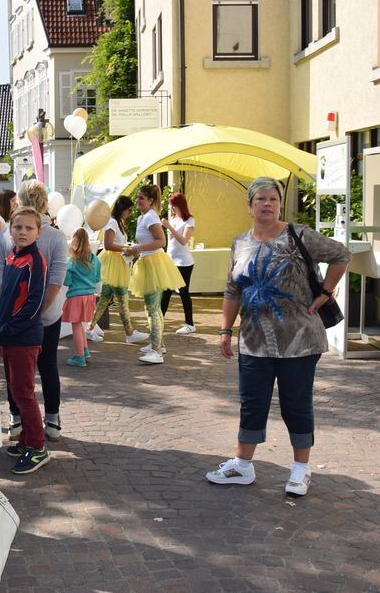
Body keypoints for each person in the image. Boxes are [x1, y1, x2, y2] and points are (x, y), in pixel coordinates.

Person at [207, 177, 350, 497]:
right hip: (255, 339)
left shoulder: (298, 235)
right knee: (251, 403)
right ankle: (242, 465)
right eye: (261, 199)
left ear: (279, 204)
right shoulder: (240, 242)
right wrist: (225, 329)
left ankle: (301, 469)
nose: (267, 204)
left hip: (300, 340)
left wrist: (325, 293)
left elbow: (340, 254)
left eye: (273, 199)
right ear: (249, 206)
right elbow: (232, 289)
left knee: (296, 405)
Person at [0, 180, 67, 442]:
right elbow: (56, 281)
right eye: (19, 228)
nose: (23, 232)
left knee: (17, 375)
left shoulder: (8, 236)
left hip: (20, 319)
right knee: (45, 368)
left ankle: (18, 420)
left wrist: (21, 310)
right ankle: (52, 419)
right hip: (43, 317)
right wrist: (36, 311)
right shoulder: (55, 236)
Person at [0, 206, 50, 474]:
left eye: (29, 228)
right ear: (10, 229)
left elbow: (34, 302)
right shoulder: (11, 258)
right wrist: (1, 328)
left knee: (23, 393)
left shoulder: (35, 260)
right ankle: (28, 440)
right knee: (17, 391)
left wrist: (11, 328)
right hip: (9, 335)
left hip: (23, 338)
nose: (23, 232)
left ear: (38, 231)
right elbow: (6, 298)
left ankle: (38, 447)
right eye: (18, 227)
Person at [126, 184, 185, 364]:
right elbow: (147, 243)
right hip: (146, 262)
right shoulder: (143, 217)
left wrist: (138, 248)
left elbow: (161, 241)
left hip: (154, 264)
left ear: (151, 201)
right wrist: (134, 251)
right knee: (152, 307)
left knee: (153, 309)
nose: (138, 201)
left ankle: (157, 351)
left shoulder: (151, 217)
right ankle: (157, 343)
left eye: (141, 198)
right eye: (138, 198)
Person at [88, 196, 149, 345]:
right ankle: (129, 333)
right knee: (121, 298)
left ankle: (89, 328)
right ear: (123, 209)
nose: (130, 213)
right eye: (129, 210)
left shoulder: (118, 222)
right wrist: (126, 248)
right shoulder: (113, 222)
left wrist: (126, 247)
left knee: (106, 299)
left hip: (116, 264)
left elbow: (115, 243)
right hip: (112, 264)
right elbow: (108, 245)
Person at [62, 228, 101, 368]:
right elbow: (97, 278)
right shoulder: (95, 259)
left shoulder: (71, 261)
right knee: (82, 325)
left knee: (76, 326)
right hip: (90, 296)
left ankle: (79, 356)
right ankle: (84, 350)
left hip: (76, 297)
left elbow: (67, 281)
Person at [160, 192, 197, 334]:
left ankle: (190, 324)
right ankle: (160, 321)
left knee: (183, 292)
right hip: (170, 261)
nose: (171, 209)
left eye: (173, 206)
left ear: (179, 205)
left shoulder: (189, 220)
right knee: (166, 291)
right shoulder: (173, 219)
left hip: (184, 263)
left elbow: (183, 240)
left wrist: (169, 227)